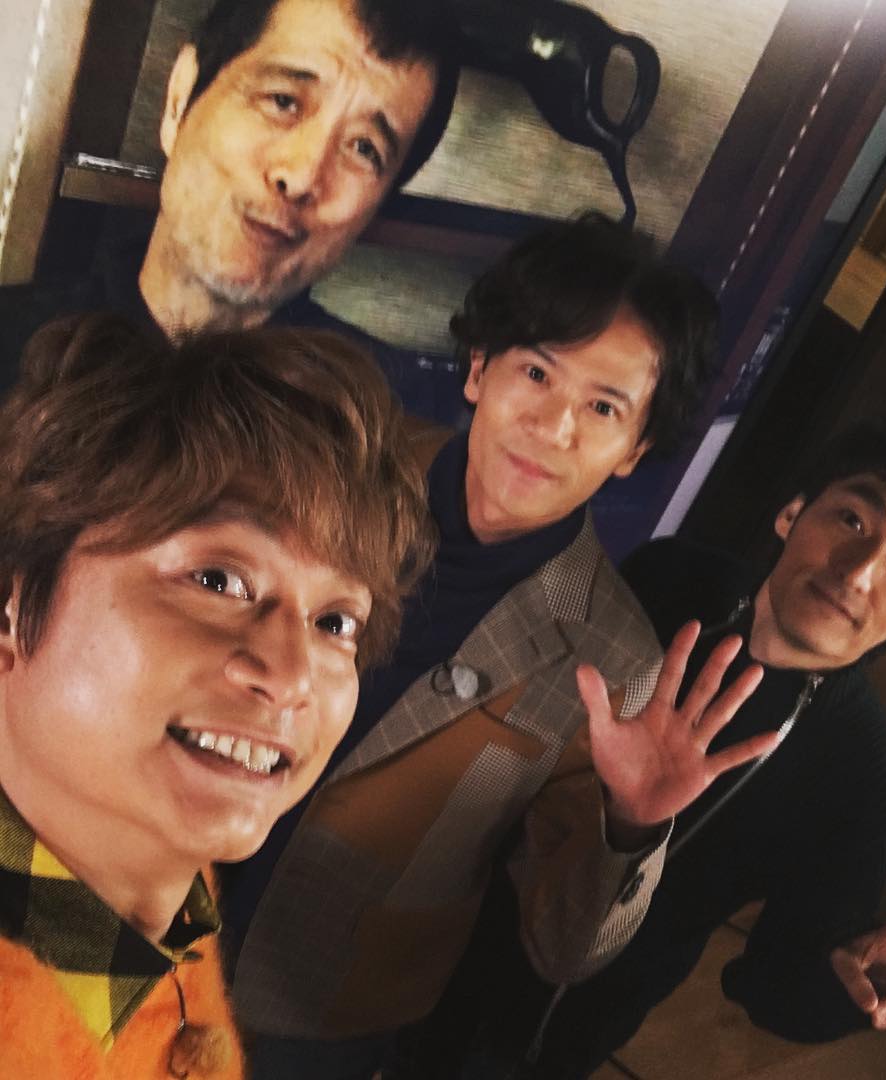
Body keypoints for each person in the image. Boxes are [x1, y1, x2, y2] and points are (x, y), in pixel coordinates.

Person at [221, 211, 780, 1080]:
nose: (554, 426)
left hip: (317, 1002)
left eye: (603, 407)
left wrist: (633, 826)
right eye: (538, 372)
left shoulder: (614, 661)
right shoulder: (335, 461)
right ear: (480, 369)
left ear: (634, 450)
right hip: (147, 874)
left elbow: (565, 947)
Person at [392, 418, 886, 1079]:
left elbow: (771, 985)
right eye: (853, 520)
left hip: (552, 1026)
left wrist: (843, 988)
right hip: (427, 906)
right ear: (792, 513)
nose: (858, 572)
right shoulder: (670, 574)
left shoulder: (863, 785)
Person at [0, 313, 431, 1078]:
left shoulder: (166, 889)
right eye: (217, 579)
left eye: (336, 622)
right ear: (12, 606)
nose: (292, 677)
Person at [0, 0, 458, 396]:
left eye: (363, 149)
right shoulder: (13, 346)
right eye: (282, 101)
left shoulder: (375, 425)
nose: (302, 176)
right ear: (180, 100)